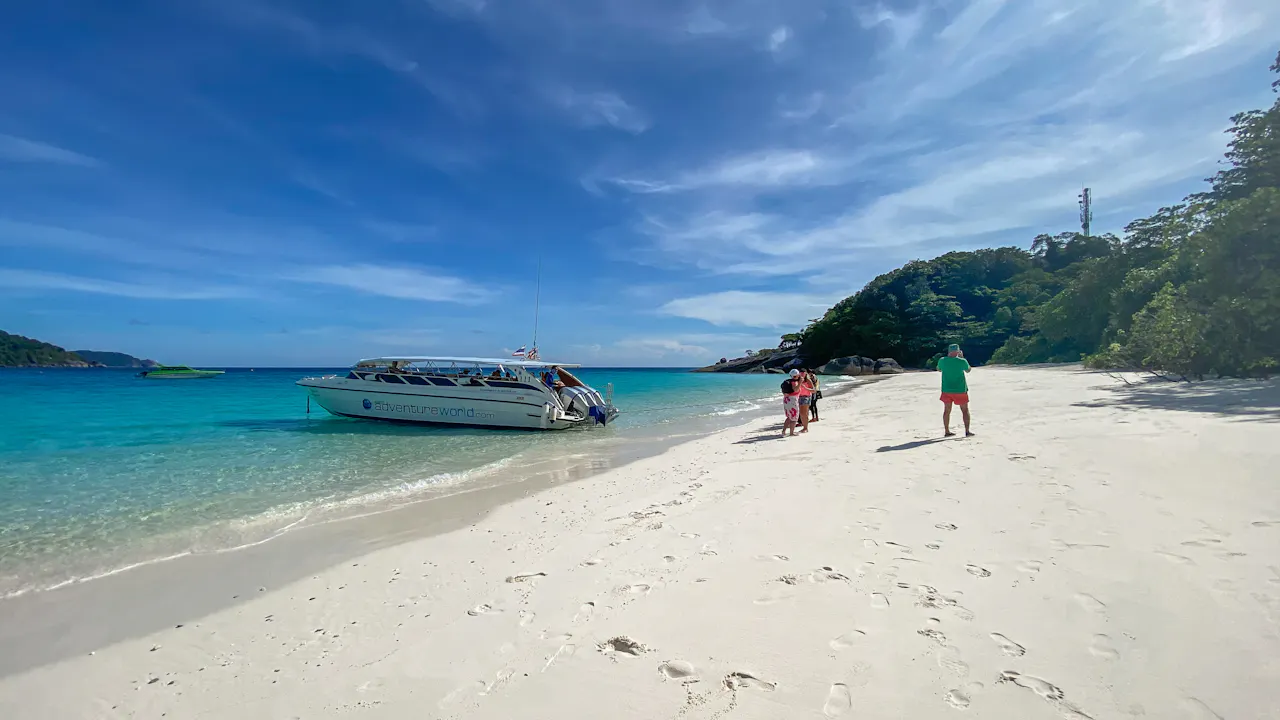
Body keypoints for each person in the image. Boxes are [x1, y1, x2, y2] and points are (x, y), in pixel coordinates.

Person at [937, 344, 973, 437]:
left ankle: (947, 431)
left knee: (947, 410)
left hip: (946, 389)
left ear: (949, 351)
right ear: (958, 351)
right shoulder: (962, 361)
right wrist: (962, 357)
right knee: (965, 410)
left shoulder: (942, 360)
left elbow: (939, 369)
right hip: (960, 389)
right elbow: (968, 370)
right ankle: (967, 431)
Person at [781, 369, 802, 437]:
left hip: (786, 400)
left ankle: (784, 431)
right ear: (797, 375)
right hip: (792, 400)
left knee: (789, 417)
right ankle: (791, 433)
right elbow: (796, 389)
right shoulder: (794, 382)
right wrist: (800, 382)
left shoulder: (789, 381)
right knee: (794, 417)